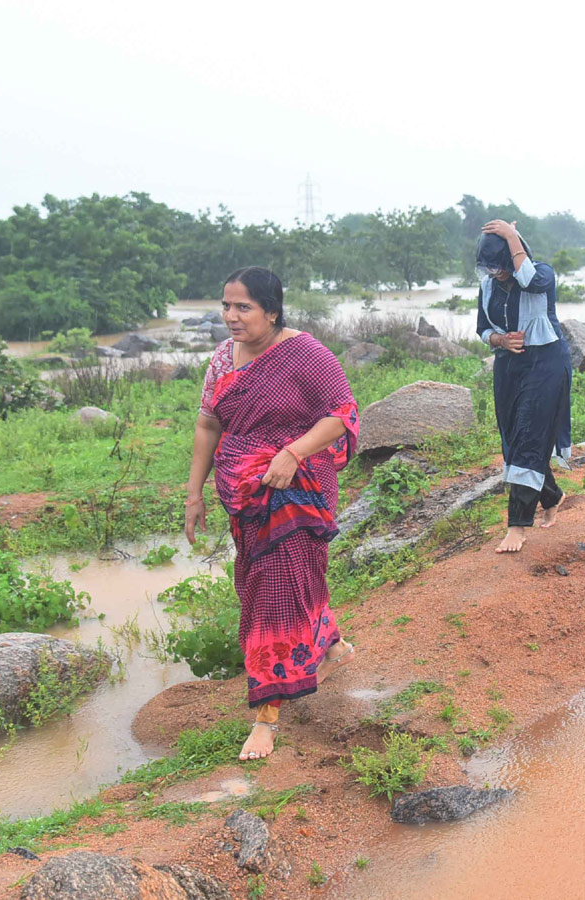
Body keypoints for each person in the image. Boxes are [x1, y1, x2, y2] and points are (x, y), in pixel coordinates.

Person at [185, 266, 360, 761]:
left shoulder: (306, 354)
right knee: (276, 582)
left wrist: (293, 453)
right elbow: (206, 426)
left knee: (274, 593)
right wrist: (193, 495)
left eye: (244, 308)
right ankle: (334, 647)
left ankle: (267, 717)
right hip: (245, 494)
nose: (231, 317)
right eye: (226, 306)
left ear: (273, 312)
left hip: (297, 488)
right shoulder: (222, 359)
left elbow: (341, 413)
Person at [476, 220, 573, 554]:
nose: (496, 272)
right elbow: (481, 329)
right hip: (509, 368)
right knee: (514, 439)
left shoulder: (542, 273)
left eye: (501, 265)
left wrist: (511, 235)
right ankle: (552, 496)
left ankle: (517, 525)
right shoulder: (488, 286)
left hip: (545, 364)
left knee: (531, 436)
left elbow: (529, 280)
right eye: (490, 267)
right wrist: (500, 339)